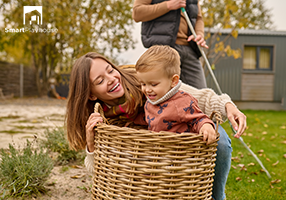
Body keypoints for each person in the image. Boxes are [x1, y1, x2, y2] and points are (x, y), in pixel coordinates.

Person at [66, 52, 247, 200]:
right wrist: (91, 144)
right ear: (90, 95)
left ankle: (216, 196)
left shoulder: (142, 80)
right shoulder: (99, 116)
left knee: (220, 141)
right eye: (100, 81)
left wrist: (227, 106)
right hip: (152, 161)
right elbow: (98, 169)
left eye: (110, 70)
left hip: (180, 132)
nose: (112, 79)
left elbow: (193, 97)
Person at [135, 45, 216, 143]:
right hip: (157, 150)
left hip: (178, 152)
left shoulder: (182, 102)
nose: (147, 90)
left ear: (173, 81)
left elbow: (198, 119)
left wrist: (205, 126)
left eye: (153, 84)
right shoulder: (150, 101)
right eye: (143, 84)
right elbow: (149, 120)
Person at [132, 0, 208, 89]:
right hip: (163, 50)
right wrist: (168, 5)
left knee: (201, 94)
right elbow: (137, 13)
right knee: (162, 93)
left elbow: (198, 17)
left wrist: (199, 34)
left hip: (190, 49)